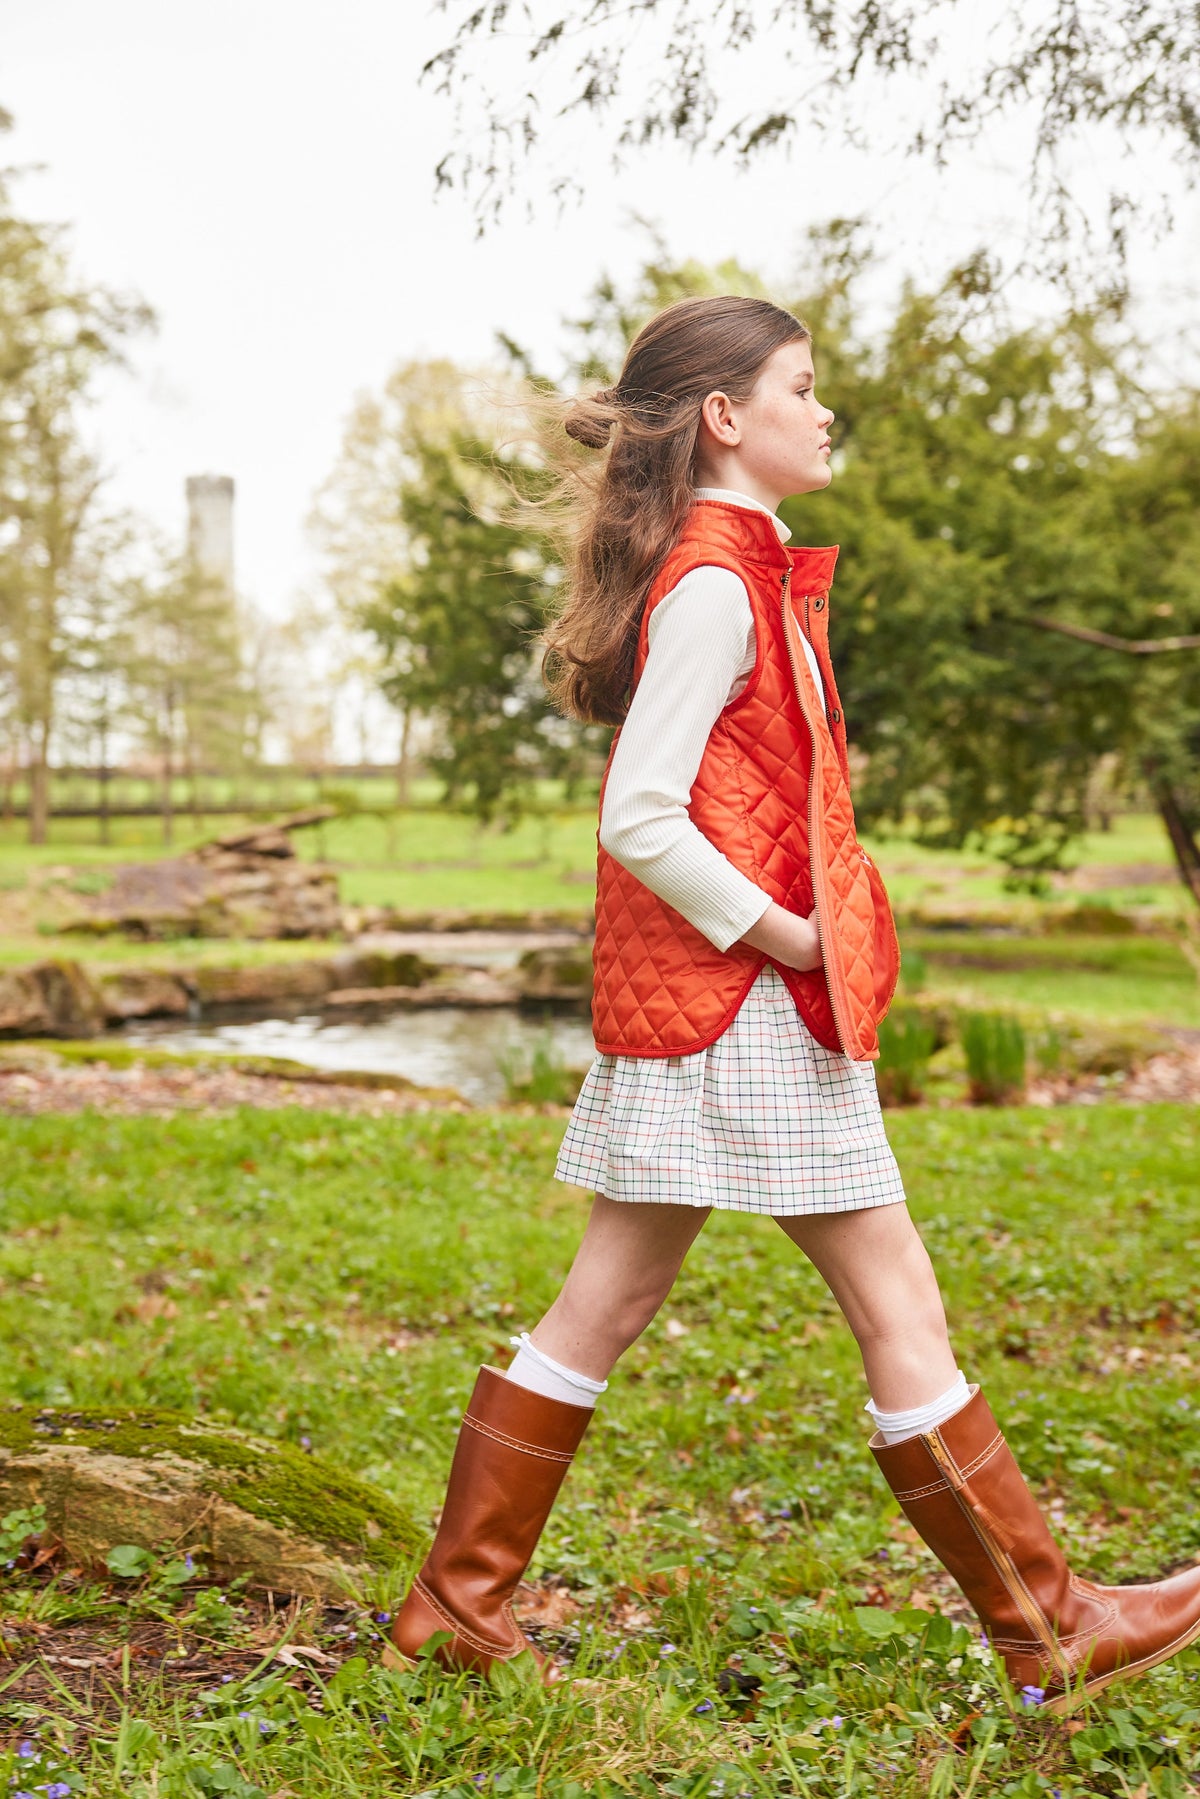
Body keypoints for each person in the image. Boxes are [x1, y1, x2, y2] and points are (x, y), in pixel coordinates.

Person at [386, 295, 1200, 1713]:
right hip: (744, 1006)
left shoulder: (742, 572)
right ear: (725, 417)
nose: (825, 412)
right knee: (889, 1292)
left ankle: (456, 1611)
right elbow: (642, 814)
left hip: (715, 1006)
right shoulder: (715, 581)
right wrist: (790, 937)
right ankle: (1049, 1625)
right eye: (803, 387)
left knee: (609, 1297)